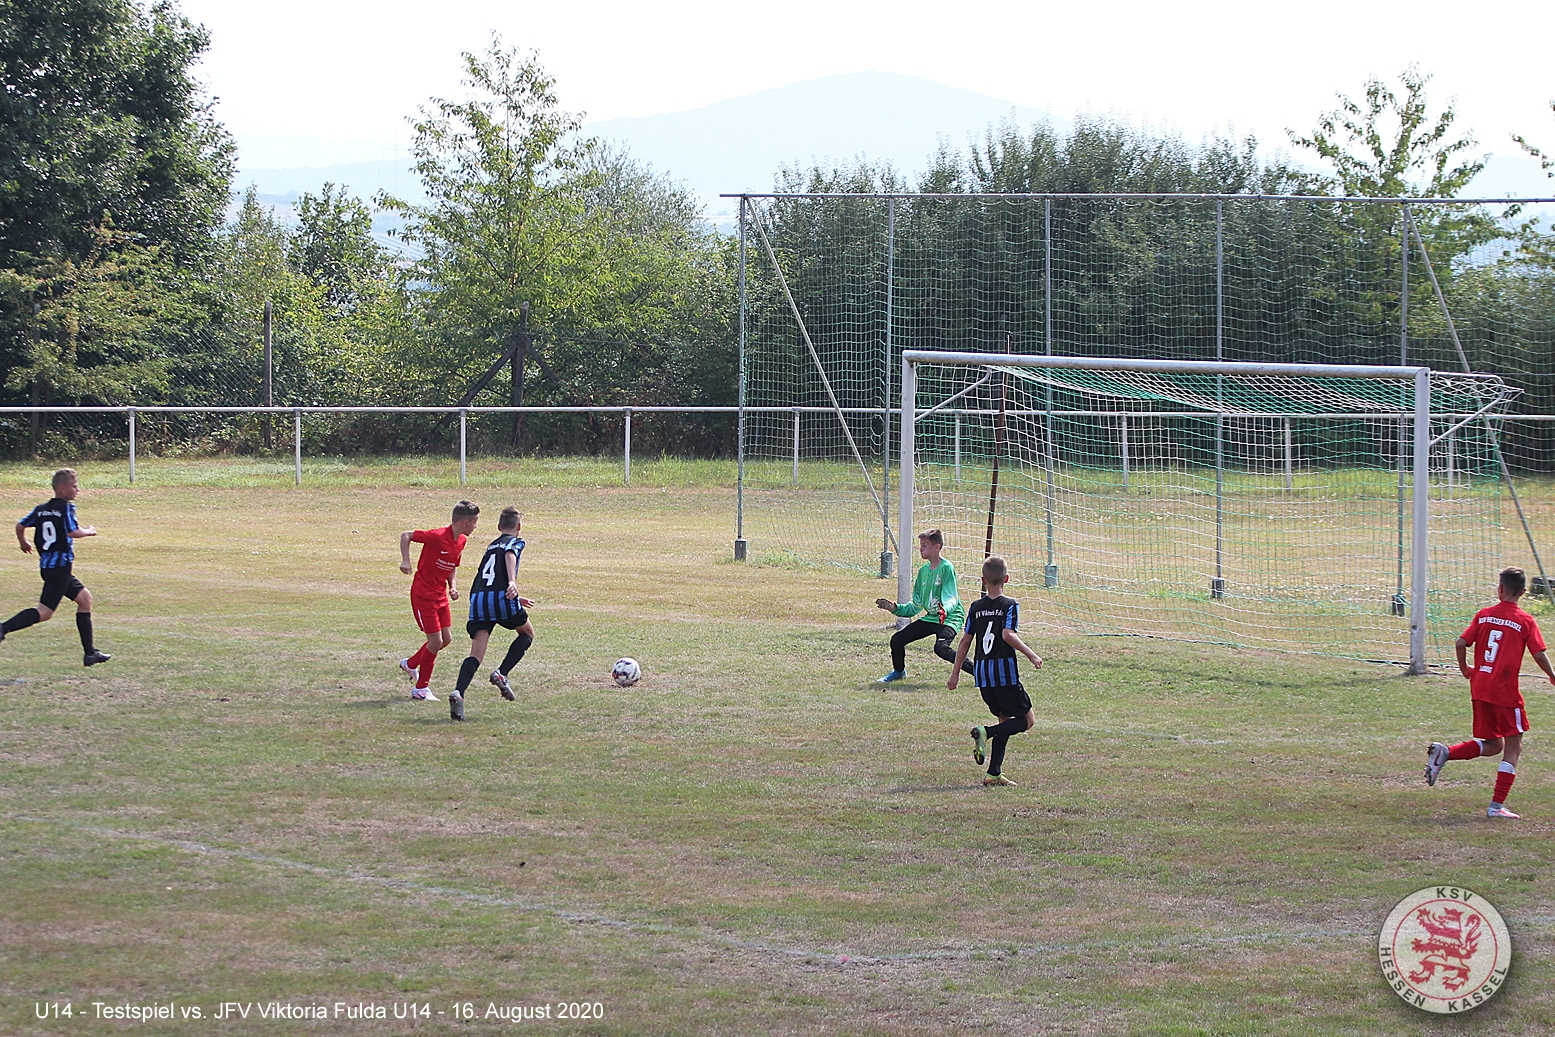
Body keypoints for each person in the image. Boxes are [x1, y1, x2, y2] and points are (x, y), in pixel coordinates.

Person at [1425, 566, 1555, 818]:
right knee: (1514, 747)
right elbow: (1539, 654)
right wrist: (1552, 675)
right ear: (1523, 592)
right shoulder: (1525, 620)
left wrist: (1465, 669)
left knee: (1494, 744)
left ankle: (1446, 752)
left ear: (1500, 589)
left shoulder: (1484, 615)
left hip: (1480, 686)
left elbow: (1461, 642)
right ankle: (1496, 807)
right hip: (1504, 691)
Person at [950, 555, 1043, 787]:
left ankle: (994, 773)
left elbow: (965, 642)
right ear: (1007, 579)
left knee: (1005, 720)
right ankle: (986, 732)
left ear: (983, 580)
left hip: (983, 675)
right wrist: (1031, 654)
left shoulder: (976, 607)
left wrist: (955, 673)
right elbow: (1007, 635)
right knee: (1028, 720)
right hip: (1004, 675)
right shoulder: (1009, 605)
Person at [1, 468, 110, 666]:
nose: (77, 490)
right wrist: (89, 531)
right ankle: (3, 628)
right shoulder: (66, 508)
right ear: (62, 490)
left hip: (50, 567)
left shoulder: (41, 509)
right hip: (60, 568)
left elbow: (20, 525)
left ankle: (90, 654)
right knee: (45, 612)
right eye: (74, 486)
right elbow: (72, 531)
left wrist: (23, 542)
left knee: (85, 599)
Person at [448, 506, 536, 722]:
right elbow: (509, 555)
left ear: (498, 527)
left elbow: (490, 576)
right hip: (501, 598)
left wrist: (516, 597)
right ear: (519, 526)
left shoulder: (491, 546)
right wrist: (512, 583)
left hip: (479, 599)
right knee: (527, 634)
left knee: (476, 654)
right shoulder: (514, 542)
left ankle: (459, 692)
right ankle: (501, 673)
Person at [398, 500, 479, 702]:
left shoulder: (461, 540)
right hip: (423, 595)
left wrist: (452, 586)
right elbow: (406, 535)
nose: (476, 526)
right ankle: (421, 689)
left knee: (446, 639)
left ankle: (410, 664)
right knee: (435, 641)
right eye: (475, 522)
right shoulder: (437, 536)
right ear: (465, 522)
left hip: (441, 595)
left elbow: (452, 565)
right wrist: (406, 560)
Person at [874, 529, 973, 683]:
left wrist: (944, 610)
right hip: (932, 617)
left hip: (950, 617)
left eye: (924, 545)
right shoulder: (923, 572)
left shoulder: (946, 567)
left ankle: (979, 672)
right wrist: (894, 608)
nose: (920, 549)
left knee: (941, 648)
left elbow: (951, 597)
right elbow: (916, 606)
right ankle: (899, 672)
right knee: (897, 640)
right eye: (920, 545)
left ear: (937, 547)